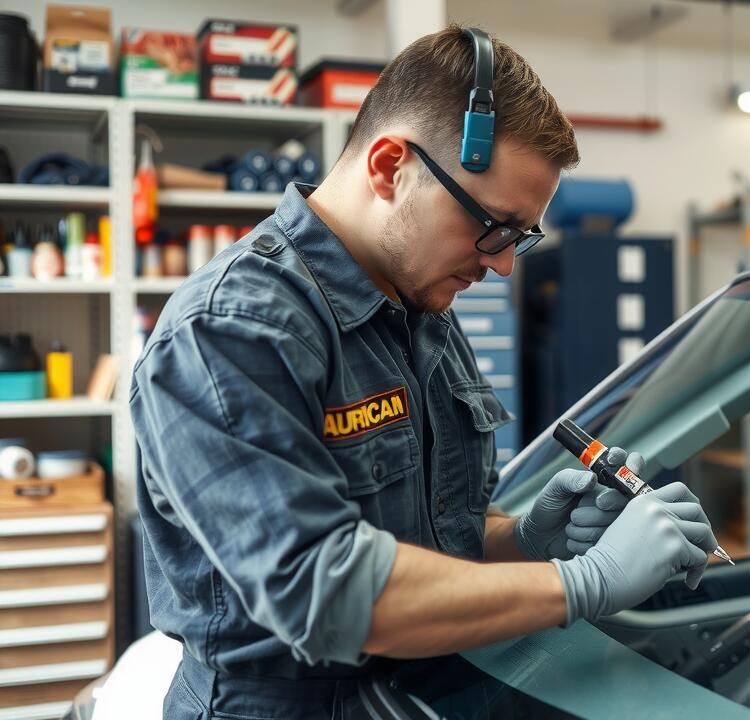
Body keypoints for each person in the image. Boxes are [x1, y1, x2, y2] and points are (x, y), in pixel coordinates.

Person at [131, 25, 718, 719]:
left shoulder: (420, 310)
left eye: (521, 238)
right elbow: (328, 592)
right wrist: (582, 582)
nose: (503, 263)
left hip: (425, 690)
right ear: (389, 168)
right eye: (495, 226)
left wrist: (526, 540)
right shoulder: (233, 330)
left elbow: (434, 542)